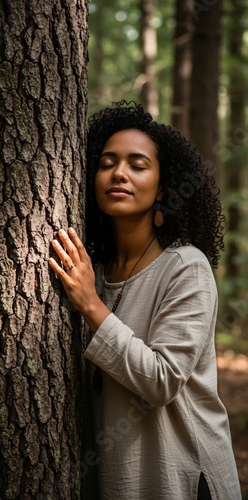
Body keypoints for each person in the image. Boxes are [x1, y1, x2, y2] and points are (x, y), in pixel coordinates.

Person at [48, 101, 242, 500]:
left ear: (163, 186)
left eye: (138, 165)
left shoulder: (186, 268)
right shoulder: (93, 270)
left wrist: (90, 304)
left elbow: (161, 381)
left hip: (184, 480)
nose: (119, 173)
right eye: (107, 162)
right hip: (117, 481)